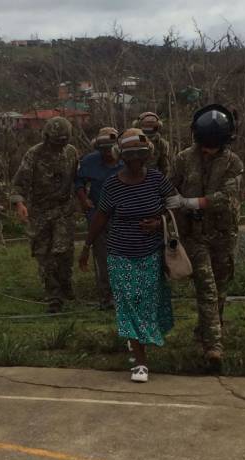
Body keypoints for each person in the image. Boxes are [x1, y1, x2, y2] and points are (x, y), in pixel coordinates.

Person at [79, 128, 174, 383]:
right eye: (129, 157)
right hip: (120, 253)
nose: (135, 163)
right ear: (122, 157)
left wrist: (160, 221)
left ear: (147, 157)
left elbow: (176, 205)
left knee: (147, 302)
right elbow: (101, 216)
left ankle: (141, 343)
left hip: (151, 254)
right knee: (128, 304)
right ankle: (139, 362)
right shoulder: (112, 185)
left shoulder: (156, 180)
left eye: (139, 157)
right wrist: (87, 246)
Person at [167, 104, 244, 366]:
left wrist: (194, 202)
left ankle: (206, 331)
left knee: (220, 288)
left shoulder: (233, 163)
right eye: (205, 145)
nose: (209, 150)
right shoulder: (182, 159)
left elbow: (227, 197)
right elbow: (168, 189)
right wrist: (173, 206)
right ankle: (213, 348)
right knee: (207, 288)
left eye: (215, 146)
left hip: (223, 234)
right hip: (195, 236)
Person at [11, 116, 78, 314]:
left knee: (64, 252)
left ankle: (65, 284)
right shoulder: (34, 154)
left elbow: (78, 179)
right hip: (40, 212)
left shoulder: (72, 153)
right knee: (44, 254)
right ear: (47, 137)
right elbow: (19, 182)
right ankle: (54, 295)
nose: (59, 144)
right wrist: (19, 204)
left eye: (63, 140)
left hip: (64, 211)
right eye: (56, 140)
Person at [75, 127, 123, 309]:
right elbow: (78, 181)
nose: (106, 155)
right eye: (102, 151)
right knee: (103, 258)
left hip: (124, 216)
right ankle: (106, 297)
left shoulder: (127, 159)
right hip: (99, 217)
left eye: (109, 150)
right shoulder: (89, 162)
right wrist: (83, 198)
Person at [132, 112, 171, 177]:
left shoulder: (161, 143)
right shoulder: (132, 141)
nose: (149, 129)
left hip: (153, 178)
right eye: (146, 126)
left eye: (151, 126)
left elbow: (164, 166)